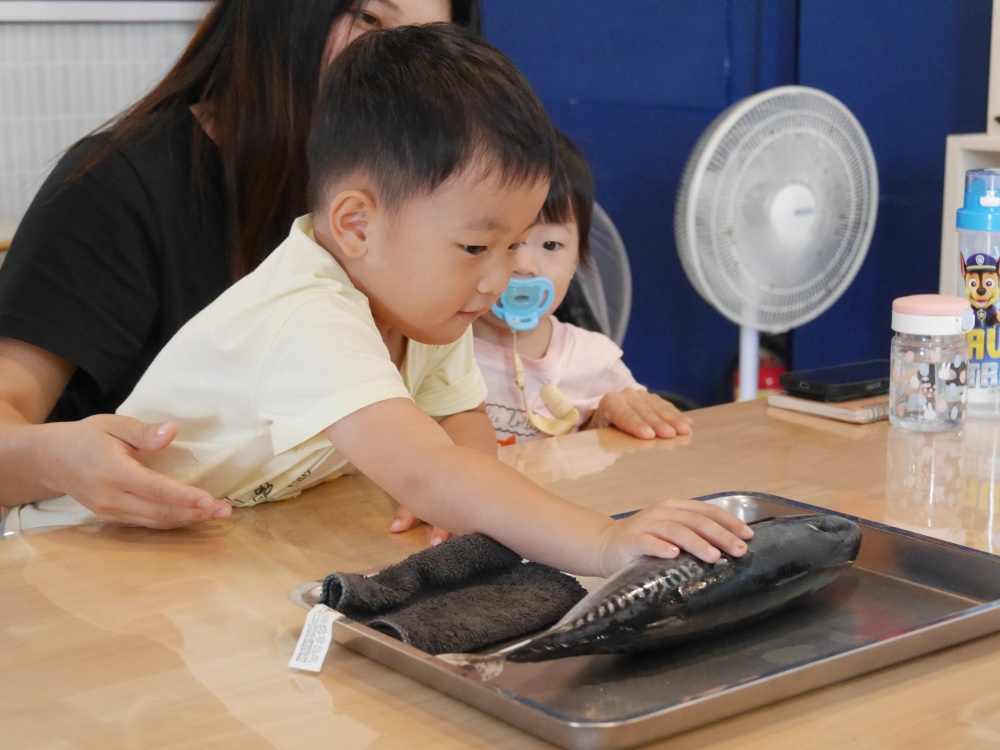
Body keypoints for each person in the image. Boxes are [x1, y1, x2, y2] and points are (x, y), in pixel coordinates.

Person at [5, 24, 753, 575]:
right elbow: (429, 468)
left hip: (197, 554)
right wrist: (601, 540)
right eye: (475, 247)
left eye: (519, 244)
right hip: (69, 551)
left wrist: (461, 506)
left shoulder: (425, 299)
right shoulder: (309, 313)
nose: (498, 280)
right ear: (356, 223)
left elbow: (462, 437)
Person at [0, 0, 480, 531]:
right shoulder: (120, 183)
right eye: (370, 21)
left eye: (431, 40)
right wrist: (61, 459)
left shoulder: (413, 208)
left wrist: (443, 475)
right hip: (116, 572)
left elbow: (450, 405)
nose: (405, 68)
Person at [472, 133, 695, 444]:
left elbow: (624, 458)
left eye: (551, 244)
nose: (524, 264)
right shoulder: (431, 350)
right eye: (507, 242)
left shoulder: (594, 361)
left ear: (577, 259)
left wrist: (606, 421)